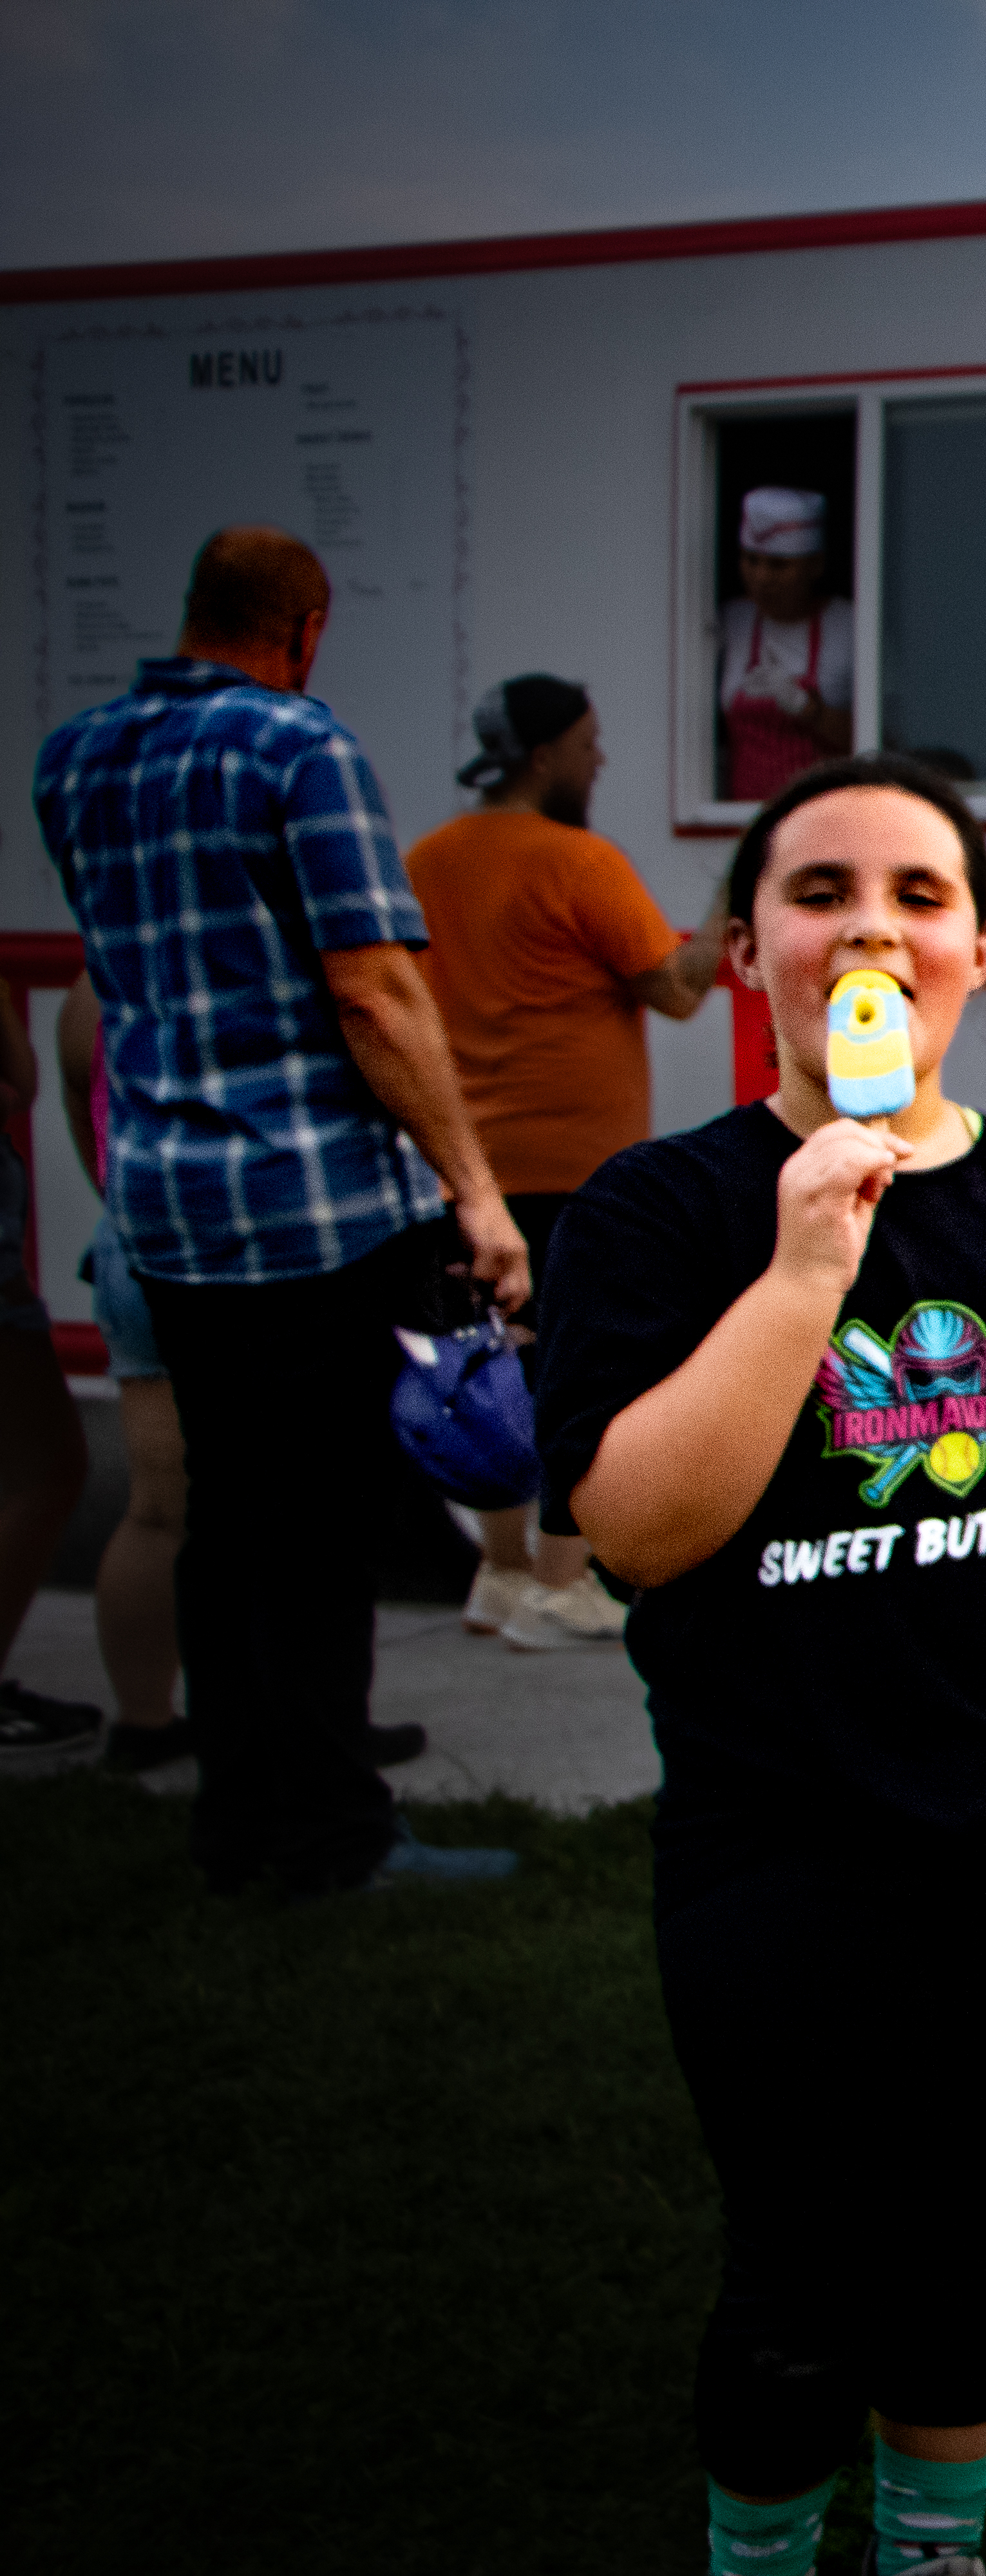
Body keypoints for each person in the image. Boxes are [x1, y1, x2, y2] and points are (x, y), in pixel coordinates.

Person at [537, 753, 986, 2576]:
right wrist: (802, 1276)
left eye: (920, 896)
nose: (873, 928)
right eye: (822, 891)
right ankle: (764, 2555)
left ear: (981, 958)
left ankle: (939, 2546)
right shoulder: (655, 1215)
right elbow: (634, 1530)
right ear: (748, 945)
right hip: (785, 1839)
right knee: (797, 2252)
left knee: (962, 2221)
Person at [32, 525, 527, 1893]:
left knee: (228, 1519)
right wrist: (474, 1187)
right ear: (305, 628)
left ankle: (239, 1813)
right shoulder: (297, 748)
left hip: (170, 1207)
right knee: (316, 1538)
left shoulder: (71, 757)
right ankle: (327, 1836)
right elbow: (373, 989)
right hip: (314, 1207)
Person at [408, 672, 727, 1649]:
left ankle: (499, 1576)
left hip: (462, 1164)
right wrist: (728, 907)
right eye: (589, 745)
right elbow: (675, 988)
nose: (600, 761)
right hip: (571, 1163)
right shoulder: (579, 863)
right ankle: (561, 1580)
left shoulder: (427, 860)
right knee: (576, 1370)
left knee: (485, 1370)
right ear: (545, 757)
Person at [53, 976, 187, 1778]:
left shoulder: (89, 992)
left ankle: (145, 1721)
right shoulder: (260, 955)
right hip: (254, 1250)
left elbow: (84, 1119)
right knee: (286, 1516)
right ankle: (298, 1729)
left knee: (158, 1513)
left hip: (134, 1238)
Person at [0, 983, 102, 1776]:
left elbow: (59, 1089)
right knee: (48, 1466)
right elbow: (20, 1078)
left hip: (136, 1241)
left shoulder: (87, 997)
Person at [717, 488, 857, 804]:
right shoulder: (729, 624)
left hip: (824, 824)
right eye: (751, 560)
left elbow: (879, 741)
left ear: (815, 566)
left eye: (779, 565)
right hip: (744, 822)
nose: (761, 577)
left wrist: (805, 707)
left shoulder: (850, 627)